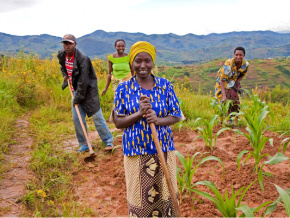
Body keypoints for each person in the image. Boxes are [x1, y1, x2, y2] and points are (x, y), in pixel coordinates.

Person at [113, 41, 182, 217]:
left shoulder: (165, 85)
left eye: (147, 61)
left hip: (163, 150)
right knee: (140, 200)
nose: (143, 65)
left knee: (166, 196)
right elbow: (118, 122)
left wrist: (157, 120)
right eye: (138, 61)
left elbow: (176, 115)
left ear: (153, 63)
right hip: (136, 153)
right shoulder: (123, 88)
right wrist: (139, 113)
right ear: (132, 63)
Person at [57, 34, 114, 152]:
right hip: (75, 91)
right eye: (65, 43)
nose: (67, 46)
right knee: (77, 119)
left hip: (88, 92)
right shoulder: (62, 55)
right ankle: (84, 144)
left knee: (97, 117)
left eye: (70, 43)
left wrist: (77, 99)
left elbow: (83, 82)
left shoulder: (82, 58)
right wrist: (65, 76)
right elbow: (63, 67)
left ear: (75, 44)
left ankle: (108, 141)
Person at [215, 46, 249, 125]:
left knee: (235, 101)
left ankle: (233, 121)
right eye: (236, 54)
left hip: (232, 81)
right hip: (222, 82)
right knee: (222, 101)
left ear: (244, 56)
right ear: (234, 55)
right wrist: (224, 95)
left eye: (240, 55)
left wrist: (236, 84)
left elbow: (242, 75)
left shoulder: (245, 65)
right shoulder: (228, 64)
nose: (238, 57)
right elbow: (222, 80)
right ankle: (221, 122)